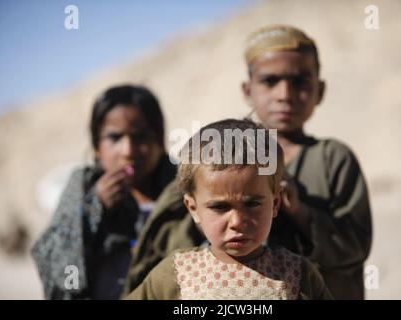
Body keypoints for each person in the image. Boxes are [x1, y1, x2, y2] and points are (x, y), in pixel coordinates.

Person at [125, 25, 372, 300]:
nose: (284, 94)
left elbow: (356, 246)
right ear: (247, 90)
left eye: (300, 81)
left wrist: (301, 212)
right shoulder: (214, 155)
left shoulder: (331, 159)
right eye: (270, 81)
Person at [126, 119, 332, 300]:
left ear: (275, 203)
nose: (237, 222)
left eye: (252, 204)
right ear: (193, 208)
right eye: (220, 207)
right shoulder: (175, 273)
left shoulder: (297, 274)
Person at [31, 84, 176, 299]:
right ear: (97, 146)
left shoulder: (182, 189)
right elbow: (52, 257)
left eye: (141, 137)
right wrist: (93, 207)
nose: (128, 151)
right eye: (115, 138)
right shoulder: (82, 187)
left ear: (159, 140)